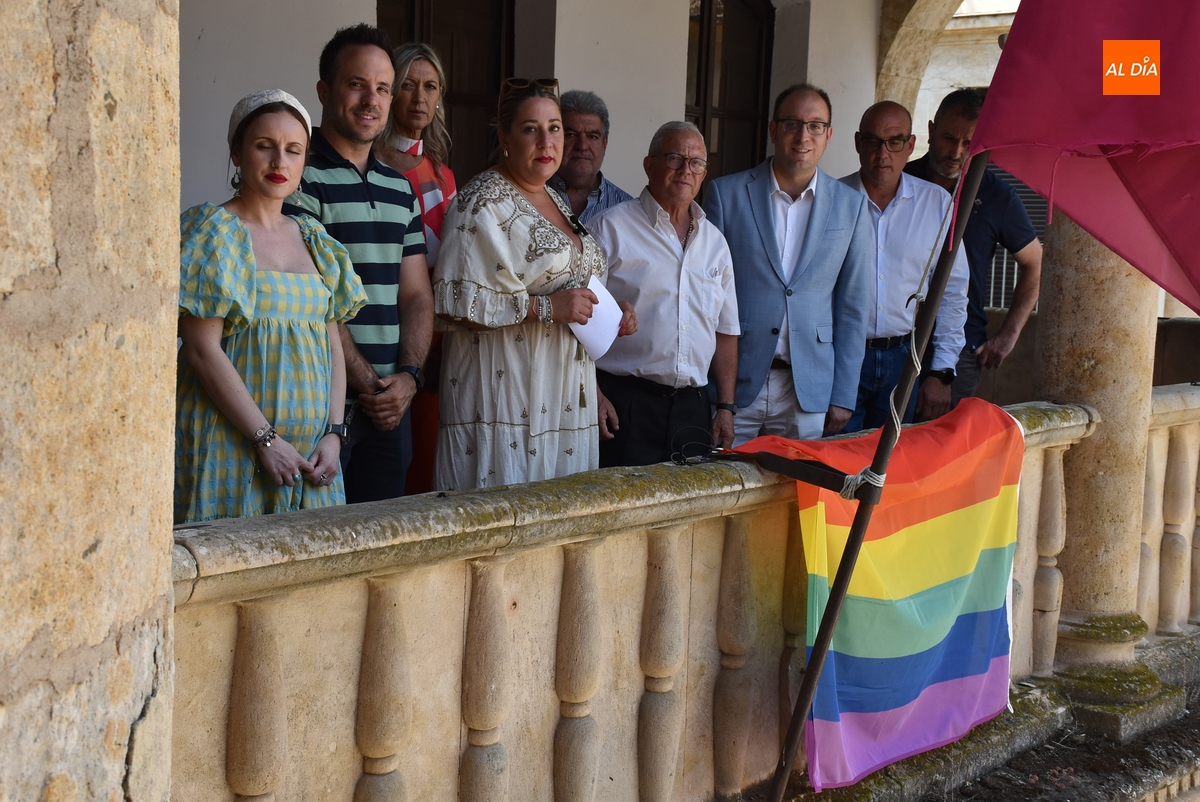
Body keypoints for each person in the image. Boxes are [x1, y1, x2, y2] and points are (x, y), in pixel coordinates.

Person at [175, 89, 367, 524]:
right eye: (265, 146)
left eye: (293, 150)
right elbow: (203, 350)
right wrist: (265, 440)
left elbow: (332, 340)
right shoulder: (212, 232)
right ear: (237, 153)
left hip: (310, 461)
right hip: (230, 447)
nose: (280, 161)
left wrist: (334, 434)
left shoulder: (315, 238)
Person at [431, 78, 633, 490]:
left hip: (562, 395)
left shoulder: (553, 198)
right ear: (504, 135)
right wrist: (548, 308)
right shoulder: (481, 202)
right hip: (506, 393)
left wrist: (610, 309)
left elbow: (567, 280)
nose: (547, 140)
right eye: (530, 129)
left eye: (554, 127)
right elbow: (458, 302)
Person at [284, 24, 434, 503]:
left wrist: (408, 378)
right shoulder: (295, 177)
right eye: (357, 84)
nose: (373, 99)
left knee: (382, 551)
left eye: (383, 88)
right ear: (325, 91)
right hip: (322, 409)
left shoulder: (399, 187)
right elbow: (315, 302)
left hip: (393, 407)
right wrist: (372, 387)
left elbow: (415, 294)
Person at [704, 83, 873, 443]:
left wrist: (843, 394)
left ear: (828, 135)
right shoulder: (726, 194)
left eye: (815, 126)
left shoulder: (851, 206)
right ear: (773, 130)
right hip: (735, 384)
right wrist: (717, 391)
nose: (802, 136)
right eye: (792, 123)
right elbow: (709, 293)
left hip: (809, 388)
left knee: (799, 495)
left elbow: (853, 307)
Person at [590, 122, 738, 466]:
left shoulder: (715, 243)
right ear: (649, 165)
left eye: (696, 162)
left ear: (704, 173)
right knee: (623, 512)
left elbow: (726, 331)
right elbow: (578, 325)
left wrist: (726, 408)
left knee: (688, 517)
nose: (686, 170)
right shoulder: (609, 228)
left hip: (693, 409)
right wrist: (594, 396)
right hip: (624, 403)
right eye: (674, 158)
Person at [905, 88, 1042, 406]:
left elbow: (1035, 261)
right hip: (891, 345)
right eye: (948, 138)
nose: (955, 152)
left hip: (961, 351)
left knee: (941, 452)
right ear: (930, 131)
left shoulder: (998, 196)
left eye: (968, 143)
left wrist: (1009, 334)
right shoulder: (900, 181)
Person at [838, 100, 969, 433]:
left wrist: (941, 371)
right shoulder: (831, 200)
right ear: (857, 143)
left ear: (911, 145)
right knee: (836, 463)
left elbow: (952, 292)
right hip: (840, 357)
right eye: (872, 141)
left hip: (903, 358)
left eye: (895, 141)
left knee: (890, 470)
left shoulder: (936, 203)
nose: (883, 153)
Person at [374, 42, 457, 495]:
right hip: (388, 326)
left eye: (430, 86)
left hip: (439, 331)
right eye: (407, 85)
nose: (419, 97)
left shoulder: (444, 172)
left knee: (431, 458)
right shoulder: (373, 166)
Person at [548, 90, 634, 224]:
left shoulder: (627, 209)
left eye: (592, 137)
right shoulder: (527, 198)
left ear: (605, 143)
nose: (582, 146)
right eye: (571, 134)